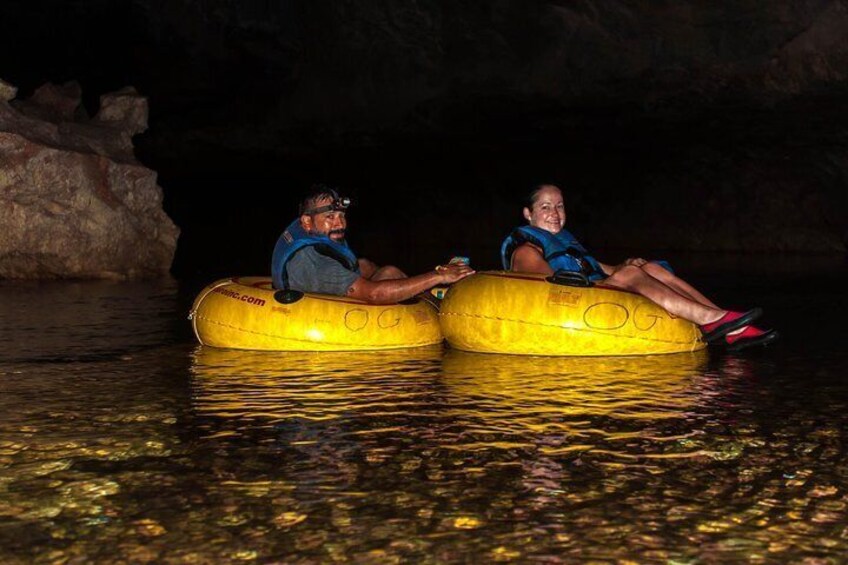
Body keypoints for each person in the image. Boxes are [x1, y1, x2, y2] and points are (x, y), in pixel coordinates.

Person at [501, 184, 778, 351]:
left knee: (650, 268)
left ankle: (727, 326)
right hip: (576, 301)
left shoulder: (563, 241)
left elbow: (600, 268)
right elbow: (545, 286)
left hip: (593, 286)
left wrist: (626, 265)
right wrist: (621, 275)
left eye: (559, 206)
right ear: (529, 214)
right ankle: (713, 321)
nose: (555, 213)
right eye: (546, 207)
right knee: (631, 275)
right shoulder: (527, 248)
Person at [272, 184, 474, 304]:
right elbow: (374, 294)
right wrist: (437, 275)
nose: (339, 223)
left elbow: (361, 266)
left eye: (342, 215)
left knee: (370, 266)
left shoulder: (308, 230)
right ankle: (432, 300)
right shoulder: (315, 261)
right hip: (321, 318)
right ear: (307, 221)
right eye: (330, 216)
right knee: (391, 274)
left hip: (319, 287)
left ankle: (426, 292)